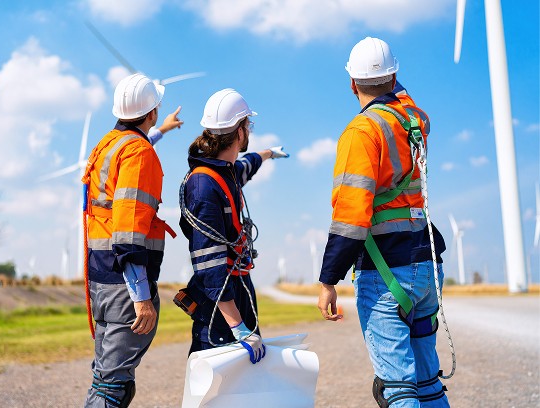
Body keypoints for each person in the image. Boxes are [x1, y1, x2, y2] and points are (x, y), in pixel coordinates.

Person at [317, 37, 450, 407]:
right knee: (428, 382)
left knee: (399, 388)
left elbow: (350, 216)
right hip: (427, 266)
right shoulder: (415, 121)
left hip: (387, 272)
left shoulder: (362, 132)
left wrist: (329, 280)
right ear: (394, 77)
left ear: (352, 84)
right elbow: (402, 98)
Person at [82, 73, 177, 407]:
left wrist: (162, 130)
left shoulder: (109, 144)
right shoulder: (139, 153)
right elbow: (128, 230)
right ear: (150, 113)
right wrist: (141, 297)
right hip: (125, 285)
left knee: (106, 379)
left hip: (101, 278)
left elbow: (136, 149)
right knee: (113, 388)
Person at [178, 88, 289, 364]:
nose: (249, 130)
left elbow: (245, 166)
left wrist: (267, 154)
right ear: (239, 132)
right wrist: (238, 327)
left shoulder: (225, 171)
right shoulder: (204, 185)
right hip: (220, 308)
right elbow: (210, 266)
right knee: (217, 389)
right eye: (248, 125)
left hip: (237, 293)